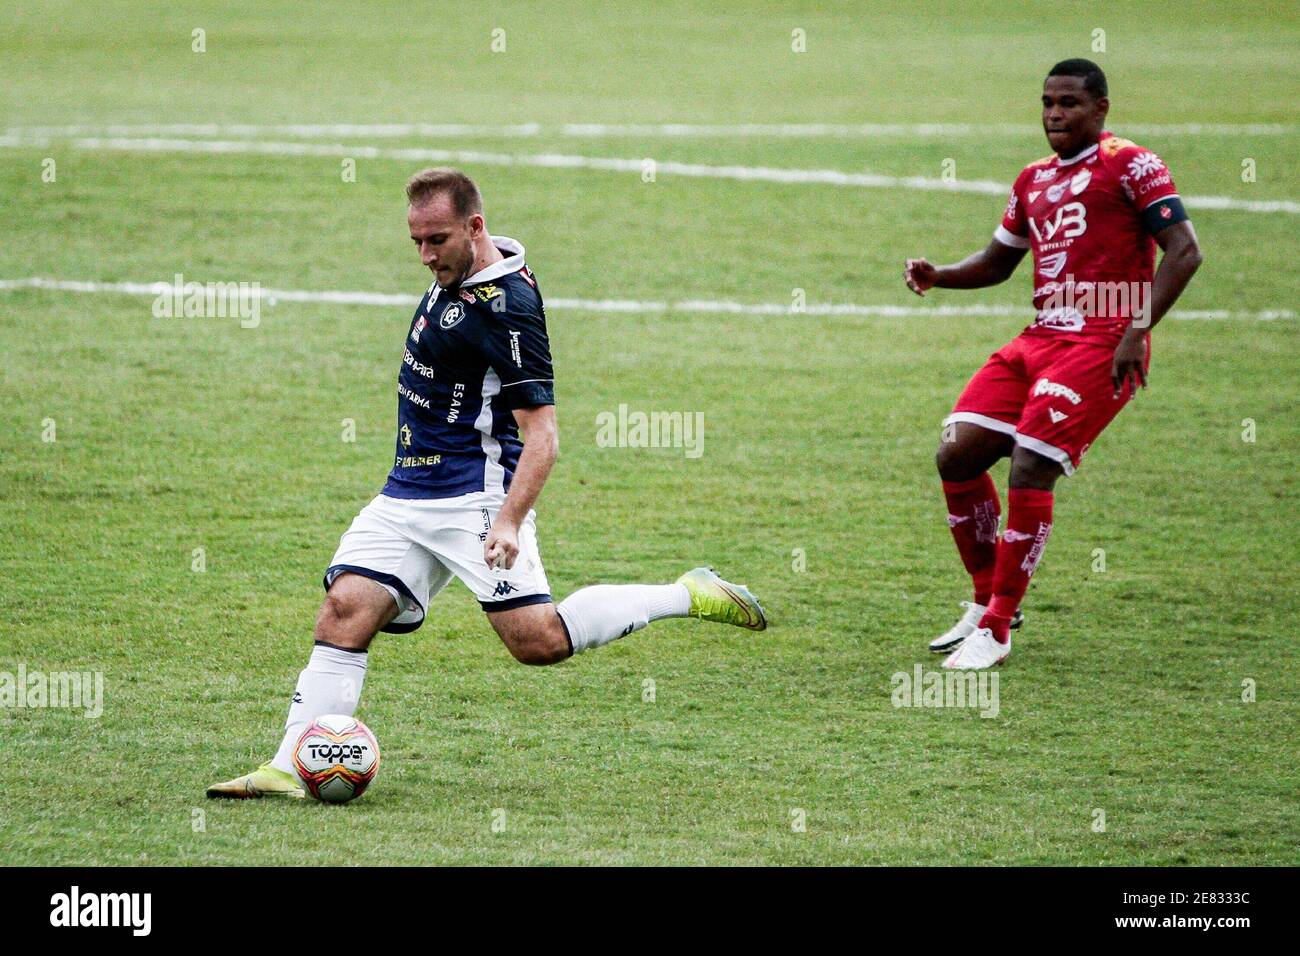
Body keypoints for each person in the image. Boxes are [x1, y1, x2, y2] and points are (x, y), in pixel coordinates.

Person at [208, 168, 766, 798]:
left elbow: (544, 439)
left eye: (437, 240)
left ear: (476, 228)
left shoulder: (507, 311)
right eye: (416, 241)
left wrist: (506, 521)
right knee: (344, 610)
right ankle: (287, 767)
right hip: (406, 492)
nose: (425, 256)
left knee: (539, 643)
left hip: (474, 498)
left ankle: (686, 593)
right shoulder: (456, 268)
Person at [903, 59, 1202, 670]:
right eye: (1047, 103)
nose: (1054, 114)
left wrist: (1135, 330)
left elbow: (1185, 252)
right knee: (957, 452)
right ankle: (986, 601)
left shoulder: (1131, 163)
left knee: (1032, 467)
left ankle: (997, 629)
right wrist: (942, 277)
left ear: (1101, 109)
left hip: (1103, 341)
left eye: (1068, 103)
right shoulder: (1032, 179)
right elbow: (997, 262)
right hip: (1040, 338)